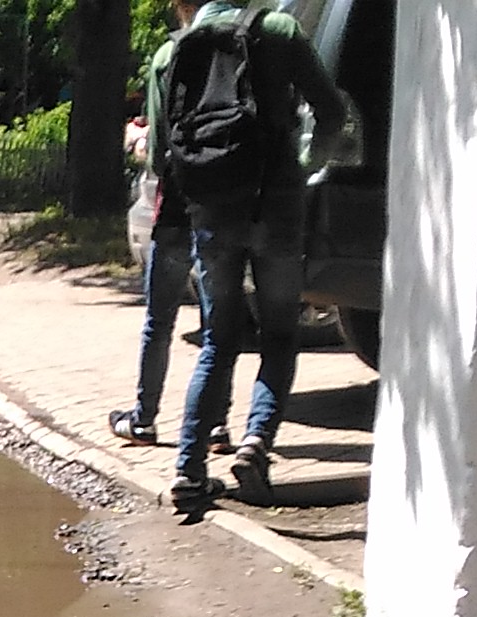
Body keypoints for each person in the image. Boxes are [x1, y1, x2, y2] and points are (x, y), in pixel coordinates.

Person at [143, 0, 345, 518]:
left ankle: (189, 474)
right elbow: (332, 110)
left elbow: (162, 153)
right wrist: (304, 166)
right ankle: (256, 442)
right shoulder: (278, 29)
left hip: (212, 212)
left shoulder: (172, 52)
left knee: (219, 340)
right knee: (279, 335)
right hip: (277, 207)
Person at [110, 0, 207, 451]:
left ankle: (144, 418)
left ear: (178, 5)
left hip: (177, 207)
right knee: (218, 324)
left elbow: (157, 153)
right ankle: (217, 426)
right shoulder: (261, 37)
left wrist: (139, 144)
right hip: (233, 205)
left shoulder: (170, 54)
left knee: (160, 319)